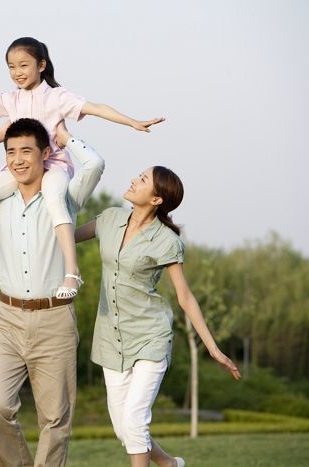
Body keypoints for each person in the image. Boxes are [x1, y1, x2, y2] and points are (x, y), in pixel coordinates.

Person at [0, 36, 163, 299]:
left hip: (54, 168)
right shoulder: (10, 99)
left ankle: (72, 272)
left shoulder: (58, 97)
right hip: (18, 170)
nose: (17, 73)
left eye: (23, 65)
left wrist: (132, 122)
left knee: (54, 198)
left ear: (41, 65)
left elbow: (95, 108)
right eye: (11, 67)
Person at [0, 117, 104, 467]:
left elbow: (95, 164)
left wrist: (66, 137)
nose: (18, 159)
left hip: (55, 320)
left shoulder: (65, 196)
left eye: (26, 151)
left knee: (55, 420)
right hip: (8, 319)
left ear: (45, 153)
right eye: (11, 151)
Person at [74, 166, 242, 467]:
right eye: (137, 176)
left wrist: (213, 348)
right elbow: (64, 236)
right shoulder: (109, 219)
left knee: (135, 420)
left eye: (142, 180)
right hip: (110, 338)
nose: (133, 180)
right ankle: (169, 464)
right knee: (123, 428)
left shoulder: (167, 240)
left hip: (150, 335)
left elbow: (185, 296)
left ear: (156, 200)